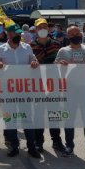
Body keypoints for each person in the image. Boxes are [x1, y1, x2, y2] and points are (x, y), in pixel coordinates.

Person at [0, 23, 41, 158]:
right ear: (9, 34)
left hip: (25, 89)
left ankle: (32, 147)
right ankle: (14, 146)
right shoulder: (1, 49)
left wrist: (34, 62)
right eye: (16, 34)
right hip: (8, 90)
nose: (19, 36)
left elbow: (33, 58)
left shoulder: (26, 47)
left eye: (20, 34)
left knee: (27, 118)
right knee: (10, 118)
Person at [54, 25, 85, 159]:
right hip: (70, 89)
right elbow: (54, 67)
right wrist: (59, 64)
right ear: (68, 37)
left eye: (77, 33)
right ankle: (69, 146)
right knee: (69, 119)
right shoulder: (63, 51)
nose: (76, 35)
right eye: (72, 34)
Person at [30, 18, 66, 154]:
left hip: (53, 85)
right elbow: (27, 64)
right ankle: (38, 142)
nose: (42, 29)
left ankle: (56, 141)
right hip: (38, 86)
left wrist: (63, 62)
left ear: (48, 28)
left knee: (54, 114)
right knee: (38, 115)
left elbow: (65, 60)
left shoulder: (58, 45)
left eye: (45, 26)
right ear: (36, 29)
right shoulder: (30, 46)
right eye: (40, 27)